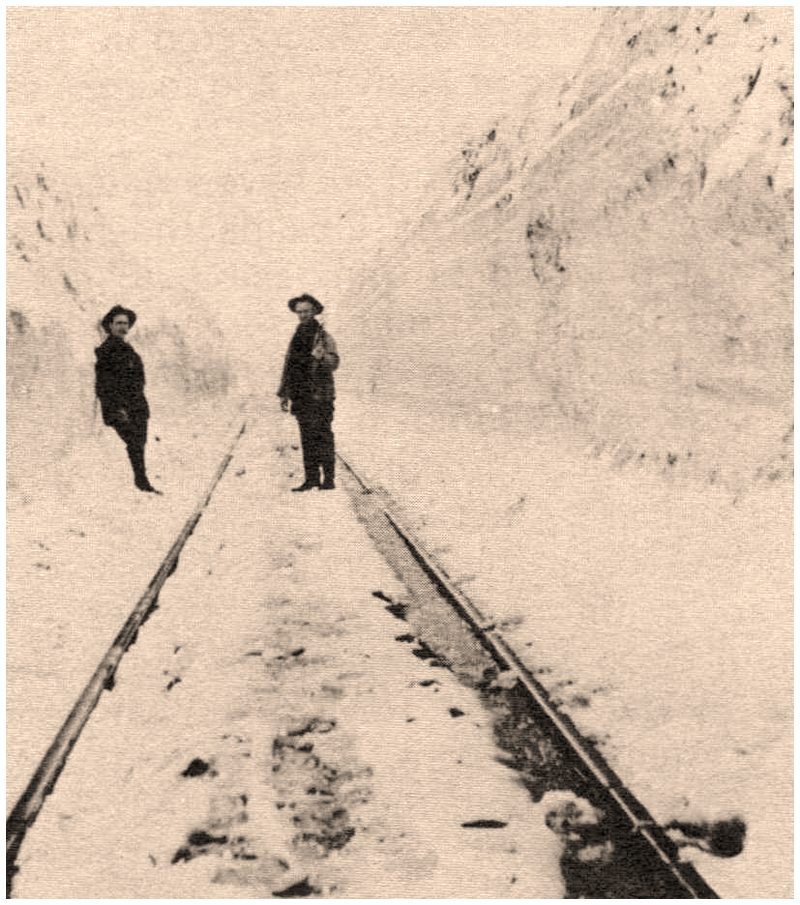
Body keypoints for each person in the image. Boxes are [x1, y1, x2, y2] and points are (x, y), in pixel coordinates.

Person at [95, 305, 160, 494]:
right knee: (135, 442)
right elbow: (105, 384)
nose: (123, 327)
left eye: (125, 323)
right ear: (110, 326)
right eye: (118, 323)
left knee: (138, 443)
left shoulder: (127, 348)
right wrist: (117, 408)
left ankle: (141, 479)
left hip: (137, 405)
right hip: (121, 408)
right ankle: (141, 481)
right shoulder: (107, 350)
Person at [277, 294, 340, 491]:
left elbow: (334, 362)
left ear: (314, 312)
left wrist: (322, 357)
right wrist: (284, 393)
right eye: (299, 312)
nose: (302, 315)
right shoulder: (296, 337)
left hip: (320, 395)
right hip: (301, 395)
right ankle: (311, 479)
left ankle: (328, 480)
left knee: (323, 436)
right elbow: (289, 367)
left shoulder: (324, 337)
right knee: (307, 437)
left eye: (306, 311)